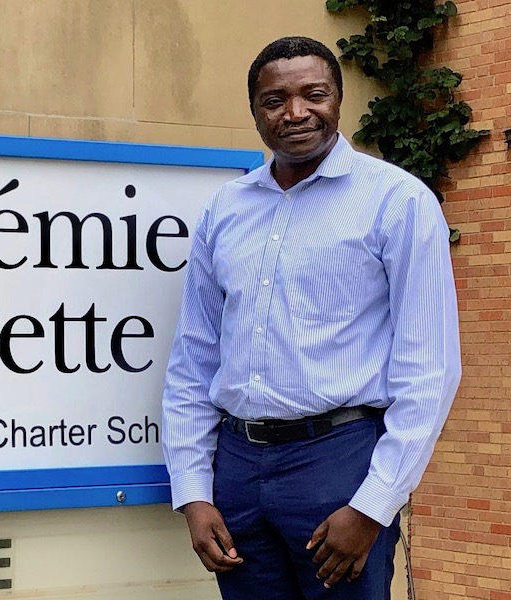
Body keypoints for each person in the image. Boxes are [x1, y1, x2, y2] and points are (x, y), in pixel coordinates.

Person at [161, 36, 461, 600]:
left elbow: (429, 368)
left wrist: (372, 506)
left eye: (313, 95)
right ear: (255, 112)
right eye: (274, 100)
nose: (295, 112)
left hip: (339, 464)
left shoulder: (396, 200)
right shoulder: (225, 209)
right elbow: (195, 359)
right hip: (237, 468)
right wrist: (194, 492)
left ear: (338, 100)